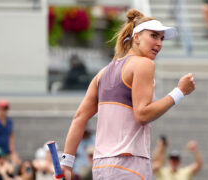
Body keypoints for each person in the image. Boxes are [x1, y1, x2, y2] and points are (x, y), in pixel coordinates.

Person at [57, 9, 196, 180]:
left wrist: (66, 163)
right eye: (153, 36)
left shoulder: (102, 73)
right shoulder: (144, 64)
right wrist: (179, 92)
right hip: (130, 166)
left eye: (161, 38)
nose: (159, 43)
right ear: (136, 37)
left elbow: (79, 117)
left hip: (101, 167)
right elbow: (142, 114)